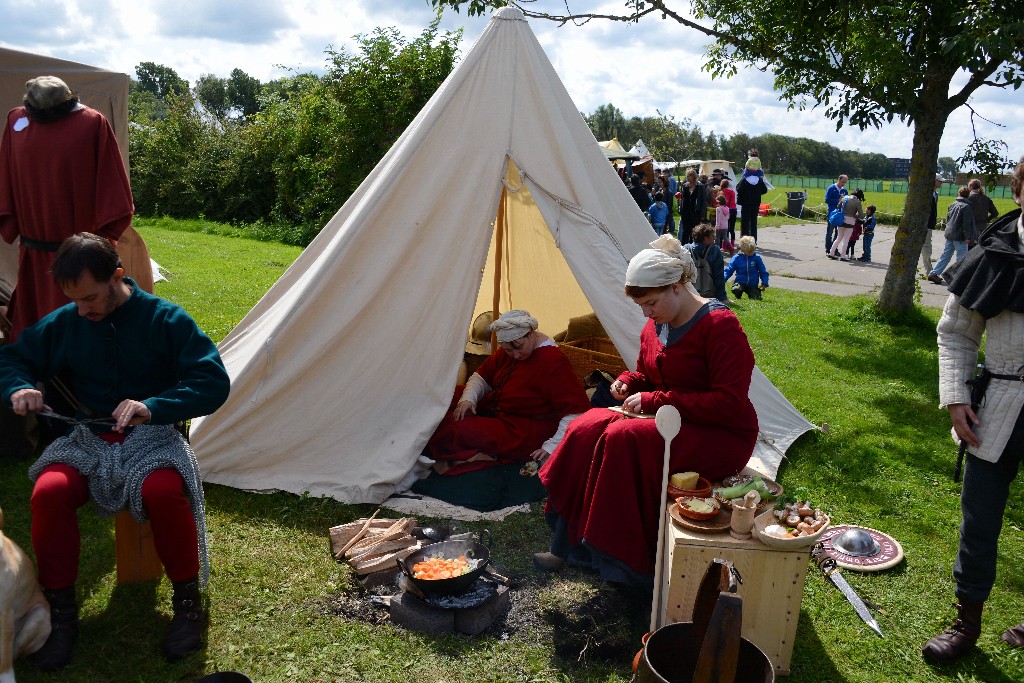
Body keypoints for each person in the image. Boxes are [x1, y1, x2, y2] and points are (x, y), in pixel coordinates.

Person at [0, 233, 230, 668]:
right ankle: (61, 616)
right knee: (49, 491)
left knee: (163, 492)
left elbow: (212, 383)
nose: (82, 310)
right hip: (86, 438)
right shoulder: (68, 321)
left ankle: (187, 604)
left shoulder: (167, 320)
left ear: (118, 276)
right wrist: (21, 385)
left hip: (153, 438)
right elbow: (13, 359)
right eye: (74, 300)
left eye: (90, 298)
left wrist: (154, 406)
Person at [534, 235, 758, 583]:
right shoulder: (657, 325)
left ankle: (623, 563)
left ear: (677, 287)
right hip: (673, 419)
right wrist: (628, 380)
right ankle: (569, 544)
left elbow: (728, 404)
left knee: (623, 437)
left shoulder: (720, 327)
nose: (646, 313)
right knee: (588, 425)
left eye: (651, 303)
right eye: (642, 306)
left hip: (720, 433)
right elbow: (647, 374)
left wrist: (656, 400)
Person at [921, 156, 1024, 665]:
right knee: (979, 518)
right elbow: (956, 334)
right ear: (1019, 191)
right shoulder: (992, 255)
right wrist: (957, 396)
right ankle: (967, 622)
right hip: (999, 405)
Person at [0, 76, 134, 342]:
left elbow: (111, 192)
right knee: (34, 338)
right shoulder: (16, 121)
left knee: (82, 332)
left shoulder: (92, 123)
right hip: (35, 260)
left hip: (80, 260)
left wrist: (97, 247)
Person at [426, 310, 590, 477]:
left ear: (531, 334)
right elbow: (482, 376)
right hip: (498, 405)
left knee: (457, 429)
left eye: (519, 348)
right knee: (445, 397)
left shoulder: (552, 361)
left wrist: (551, 446)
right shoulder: (510, 347)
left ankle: (474, 454)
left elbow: (576, 412)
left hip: (522, 429)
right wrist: (468, 399)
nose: (516, 355)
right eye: (509, 351)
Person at [928, 186, 976, 284]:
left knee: (946, 255)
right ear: (968, 195)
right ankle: (957, 278)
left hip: (949, 234)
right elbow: (966, 223)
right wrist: (967, 237)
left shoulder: (952, 204)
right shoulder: (966, 207)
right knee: (961, 257)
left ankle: (934, 273)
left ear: (958, 193)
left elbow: (948, 219)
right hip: (960, 236)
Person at [684, 224, 728, 302]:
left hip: (691, 294)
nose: (714, 238)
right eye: (712, 236)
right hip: (709, 294)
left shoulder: (686, 249)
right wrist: (723, 298)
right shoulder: (715, 250)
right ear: (705, 238)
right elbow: (719, 277)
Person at [724, 235, 770, 300]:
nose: (752, 252)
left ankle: (753, 293)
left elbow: (763, 271)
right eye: (749, 251)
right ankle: (738, 294)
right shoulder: (737, 258)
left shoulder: (757, 258)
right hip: (740, 282)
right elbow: (729, 270)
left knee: (756, 297)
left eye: (753, 250)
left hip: (752, 284)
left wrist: (764, 282)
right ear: (743, 250)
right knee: (736, 289)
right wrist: (723, 279)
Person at [828, 188, 864, 261]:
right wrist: (855, 215)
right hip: (850, 220)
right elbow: (861, 216)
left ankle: (831, 253)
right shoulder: (857, 202)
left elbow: (838, 206)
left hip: (841, 219)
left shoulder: (845, 198)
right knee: (846, 239)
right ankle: (843, 256)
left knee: (839, 237)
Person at [921, 174, 943, 277]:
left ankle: (929, 270)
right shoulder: (926, 194)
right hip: (925, 225)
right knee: (926, 248)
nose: (941, 183)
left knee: (926, 247)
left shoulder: (936, 194)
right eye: (940, 181)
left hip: (929, 224)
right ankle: (929, 271)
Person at [736, 172, 767, 242]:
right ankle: (754, 241)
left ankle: (744, 241)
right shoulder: (759, 180)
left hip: (746, 204)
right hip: (755, 204)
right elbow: (765, 190)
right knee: (753, 223)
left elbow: (738, 189)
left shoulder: (744, 180)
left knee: (745, 223)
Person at [678, 170, 706, 244]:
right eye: (687, 176)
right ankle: (684, 247)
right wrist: (680, 208)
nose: (688, 178)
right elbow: (682, 198)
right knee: (685, 231)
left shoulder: (700, 186)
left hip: (696, 212)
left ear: (694, 176)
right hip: (686, 212)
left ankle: (693, 247)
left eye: (689, 176)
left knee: (694, 231)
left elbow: (703, 201)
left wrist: (702, 214)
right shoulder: (685, 186)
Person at [824, 175, 849, 253]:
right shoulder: (831, 188)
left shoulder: (844, 190)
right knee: (829, 233)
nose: (844, 183)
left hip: (841, 215)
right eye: (843, 181)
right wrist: (838, 200)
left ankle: (834, 249)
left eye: (845, 182)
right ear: (839, 179)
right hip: (832, 214)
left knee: (838, 234)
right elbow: (827, 200)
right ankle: (828, 249)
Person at [719, 178, 738, 253]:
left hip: (726, 210)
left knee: (725, 228)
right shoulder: (732, 191)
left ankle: (725, 245)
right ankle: (732, 244)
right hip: (733, 209)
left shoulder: (722, 192)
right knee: (732, 228)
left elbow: (724, 202)